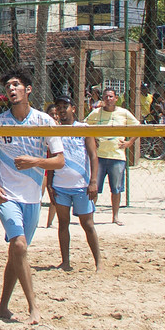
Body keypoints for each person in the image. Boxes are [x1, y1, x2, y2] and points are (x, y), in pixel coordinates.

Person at [0, 69, 63, 324]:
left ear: (28, 90)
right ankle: (33, 308)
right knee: (18, 245)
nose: (11, 89)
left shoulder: (44, 122)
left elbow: (59, 161)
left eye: (16, 85)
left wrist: (36, 161)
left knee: (17, 252)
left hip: (32, 197)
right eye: (8, 86)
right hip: (6, 193)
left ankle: (3, 306)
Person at [48, 96, 100, 272]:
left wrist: (93, 181)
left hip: (81, 185)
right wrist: (49, 184)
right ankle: (65, 261)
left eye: (65, 106)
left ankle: (98, 262)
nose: (62, 110)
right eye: (59, 107)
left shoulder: (83, 128)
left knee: (88, 224)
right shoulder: (55, 130)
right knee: (63, 223)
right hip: (60, 185)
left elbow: (93, 156)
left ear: (73, 109)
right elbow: (50, 157)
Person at [84, 86, 139, 222]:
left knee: (116, 188)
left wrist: (129, 143)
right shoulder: (96, 113)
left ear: (116, 99)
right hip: (99, 156)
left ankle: (115, 216)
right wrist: (92, 140)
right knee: (94, 187)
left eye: (111, 97)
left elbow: (138, 127)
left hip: (117, 156)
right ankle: (90, 215)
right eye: (105, 97)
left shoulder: (123, 113)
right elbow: (84, 127)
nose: (108, 99)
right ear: (102, 99)